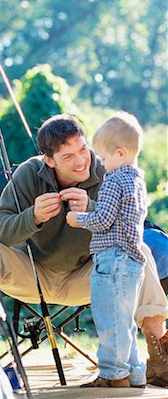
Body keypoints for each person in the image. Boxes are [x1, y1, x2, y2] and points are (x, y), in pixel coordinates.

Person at [0, 114, 168, 388]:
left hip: (90, 277)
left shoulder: (109, 170)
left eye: (82, 149)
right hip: (33, 276)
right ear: (49, 160)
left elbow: (131, 225)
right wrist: (32, 216)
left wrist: (93, 209)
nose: (81, 160)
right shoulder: (28, 174)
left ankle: (160, 358)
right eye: (68, 156)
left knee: (137, 249)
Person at [66, 112, 147, 387]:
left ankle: (113, 376)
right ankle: (135, 374)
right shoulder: (137, 181)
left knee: (109, 319)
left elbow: (103, 219)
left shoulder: (113, 180)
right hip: (133, 262)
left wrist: (78, 220)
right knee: (125, 321)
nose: (101, 163)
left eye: (103, 157)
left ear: (120, 153)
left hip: (112, 259)